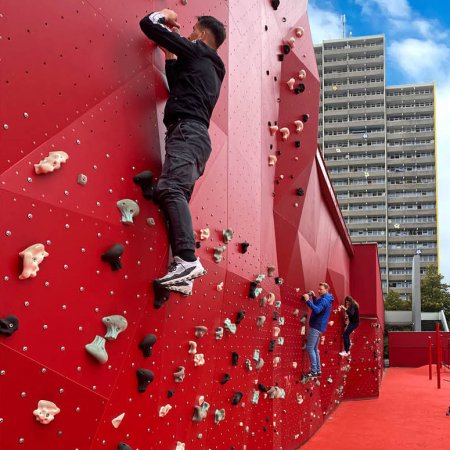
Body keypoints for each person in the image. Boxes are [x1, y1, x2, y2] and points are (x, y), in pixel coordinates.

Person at [139, 9, 226, 295]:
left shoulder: (199, 52)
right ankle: (184, 277)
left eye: (192, 32)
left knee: (171, 189)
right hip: (196, 137)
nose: (188, 36)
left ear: (201, 35)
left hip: (187, 132)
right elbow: (177, 86)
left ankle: (187, 260)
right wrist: (172, 57)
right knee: (175, 198)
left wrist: (164, 16)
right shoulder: (210, 68)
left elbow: (148, 25)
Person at [302, 283, 334, 378]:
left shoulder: (325, 300)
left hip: (316, 326)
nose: (319, 291)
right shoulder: (326, 298)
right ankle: (318, 370)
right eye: (318, 289)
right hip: (319, 327)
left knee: (310, 348)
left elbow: (317, 310)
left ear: (326, 289)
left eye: (320, 289)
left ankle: (313, 371)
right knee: (315, 349)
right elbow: (319, 306)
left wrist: (308, 300)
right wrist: (314, 297)